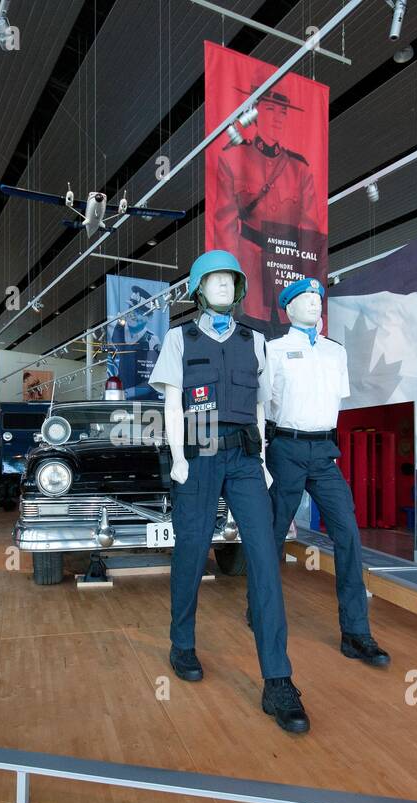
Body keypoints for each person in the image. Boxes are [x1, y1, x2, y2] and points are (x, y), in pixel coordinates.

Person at [149, 249, 309, 734]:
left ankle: (278, 680)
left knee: (264, 557)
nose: (222, 286)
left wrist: (261, 463)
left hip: (244, 459)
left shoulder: (255, 341)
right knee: (192, 553)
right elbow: (173, 406)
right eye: (213, 279)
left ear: (238, 288)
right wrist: (177, 459)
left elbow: (261, 409)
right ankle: (182, 643)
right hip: (196, 458)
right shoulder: (180, 339)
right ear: (198, 287)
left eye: (229, 280)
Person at [261, 278, 390, 668]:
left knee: (348, 534)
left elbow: (335, 402)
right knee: (271, 536)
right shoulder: (274, 350)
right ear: (289, 309)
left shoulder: (336, 353)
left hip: (324, 450)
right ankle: (260, 611)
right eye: (304, 298)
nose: (314, 304)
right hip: (286, 446)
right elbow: (266, 405)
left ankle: (356, 633)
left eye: (317, 298)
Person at [211, 88, 320, 329]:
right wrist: (229, 282)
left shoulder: (299, 169)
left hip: (288, 274)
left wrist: (309, 287)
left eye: (283, 112)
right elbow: (224, 228)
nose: (277, 118)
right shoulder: (234, 159)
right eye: (270, 110)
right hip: (250, 271)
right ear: (257, 115)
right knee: (250, 340)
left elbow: (311, 233)